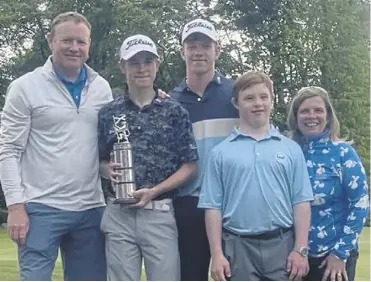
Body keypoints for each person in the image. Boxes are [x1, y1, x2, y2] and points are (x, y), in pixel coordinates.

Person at [0, 12, 112, 280]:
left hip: (90, 209)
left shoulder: (102, 88)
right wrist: (15, 206)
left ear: (89, 45)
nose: (74, 48)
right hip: (40, 208)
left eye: (81, 42)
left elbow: (102, 146)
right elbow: (8, 150)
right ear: (51, 40)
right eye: (67, 40)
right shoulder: (25, 87)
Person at [98, 34, 199, 281]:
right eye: (134, 62)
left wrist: (154, 191)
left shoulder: (175, 111)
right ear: (123, 67)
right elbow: (100, 160)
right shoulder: (108, 112)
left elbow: (190, 166)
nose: (141, 68)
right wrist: (105, 170)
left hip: (159, 212)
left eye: (147, 61)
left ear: (157, 65)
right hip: (118, 214)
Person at [198, 71, 314, 281]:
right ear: (236, 103)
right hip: (238, 246)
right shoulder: (220, 153)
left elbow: (301, 202)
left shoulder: (291, 149)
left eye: (263, 97)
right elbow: (213, 207)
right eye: (249, 98)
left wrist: (301, 249)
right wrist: (216, 254)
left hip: (282, 245)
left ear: (272, 99)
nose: (257, 103)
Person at [171, 18, 239, 281]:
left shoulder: (238, 93)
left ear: (217, 50)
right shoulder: (171, 101)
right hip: (188, 203)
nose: (198, 51)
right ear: (182, 52)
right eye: (192, 45)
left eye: (205, 45)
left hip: (232, 202)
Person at [287, 86, 369, 281]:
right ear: (295, 117)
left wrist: (340, 254)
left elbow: (360, 204)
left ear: (329, 116)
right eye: (304, 111)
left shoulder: (343, 153)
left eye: (318, 110)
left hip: (333, 257)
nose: (311, 116)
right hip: (295, 256)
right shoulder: (288, 152)